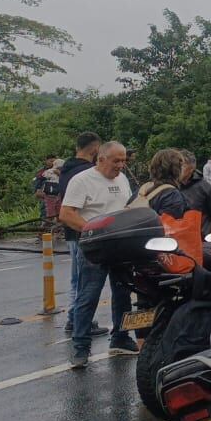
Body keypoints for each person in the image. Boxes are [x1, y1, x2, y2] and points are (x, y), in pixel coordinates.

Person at [59, 141, 136, 367]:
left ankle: (120, 338)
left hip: (120, 245)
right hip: (95, 246)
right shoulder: (82, 180)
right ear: (100, 159)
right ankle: (80, 346)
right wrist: (92, 230)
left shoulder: (121, 179)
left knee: (123, 293)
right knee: (89, 295)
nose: (121, 165)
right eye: (116, 161)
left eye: (124, 161)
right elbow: (66, 213)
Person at [60, 132, 103, 338]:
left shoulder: (66, 169)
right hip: (85, 231)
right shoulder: (87, 173)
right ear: (95, 150)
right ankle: (76, 319)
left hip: (71, 231)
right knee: (83, 280)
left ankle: (73, 316)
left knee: (76, 278)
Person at [135, 149, 201, 274]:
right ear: (176, 169)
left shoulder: (143, 189)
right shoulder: (172, 194)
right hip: (161, 258)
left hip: (139, 252)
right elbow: (173, 229)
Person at [179, 150, 211, 236]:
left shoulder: (205, 188)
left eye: (182, 165)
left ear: (191, 168)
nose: (178, 168)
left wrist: (208, 232)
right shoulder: (169, 186)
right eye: (176, 165)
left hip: (199, 238)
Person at [32, 156, 57, 226]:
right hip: (46, 196)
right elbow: (37, 187)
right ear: (46, 161)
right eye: (51, 161)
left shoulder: (59, 170)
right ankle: (43, 231)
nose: (53, 163)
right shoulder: (41, 172)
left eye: (55, 161)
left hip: (58, 197)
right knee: (45, 214)